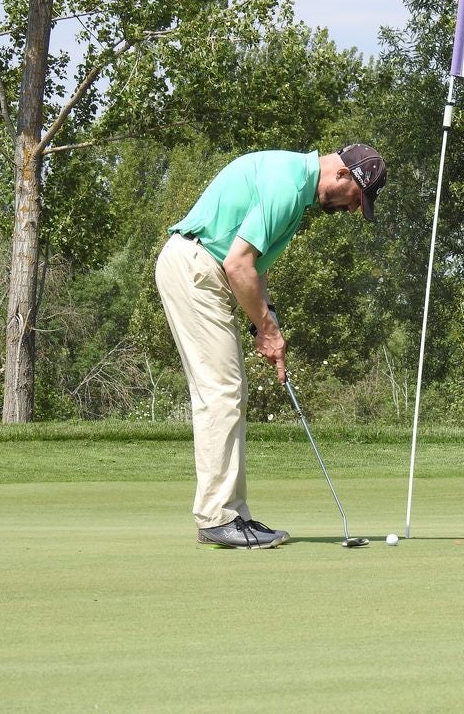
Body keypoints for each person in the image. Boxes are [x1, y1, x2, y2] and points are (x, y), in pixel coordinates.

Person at [154, 144, 387, 549]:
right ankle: (219, 517)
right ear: (344, 176)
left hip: (203, 269)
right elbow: (237, 264)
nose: (353, 211)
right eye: (357, 200)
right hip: (197, 269)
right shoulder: (288, 185)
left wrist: (268, 319)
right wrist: (265, 329)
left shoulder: (294, 184)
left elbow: (252, 267)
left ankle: (230, 515)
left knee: (227, 392)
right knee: (221, 393)